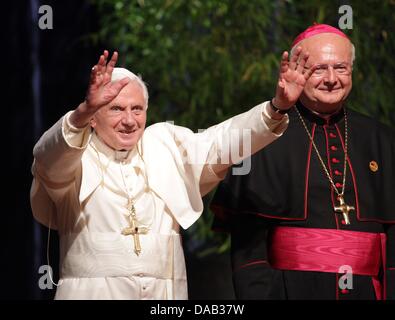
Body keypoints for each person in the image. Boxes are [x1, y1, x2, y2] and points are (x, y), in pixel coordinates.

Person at [30, 47, 313, 299]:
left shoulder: (165, 144)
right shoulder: (73, 157)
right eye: (116, 108)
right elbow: (46, 158)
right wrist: (81, 112)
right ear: (92, 117)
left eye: (137, 109)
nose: (129, 120)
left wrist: (276, 109)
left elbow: (222, 142)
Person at [211, 24, 395, 300]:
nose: (332, 79)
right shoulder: (264, 136)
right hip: (290, 291)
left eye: (341, 68)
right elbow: (249, 248)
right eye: (319, 69)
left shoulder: (382, 139)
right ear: (296, 71)